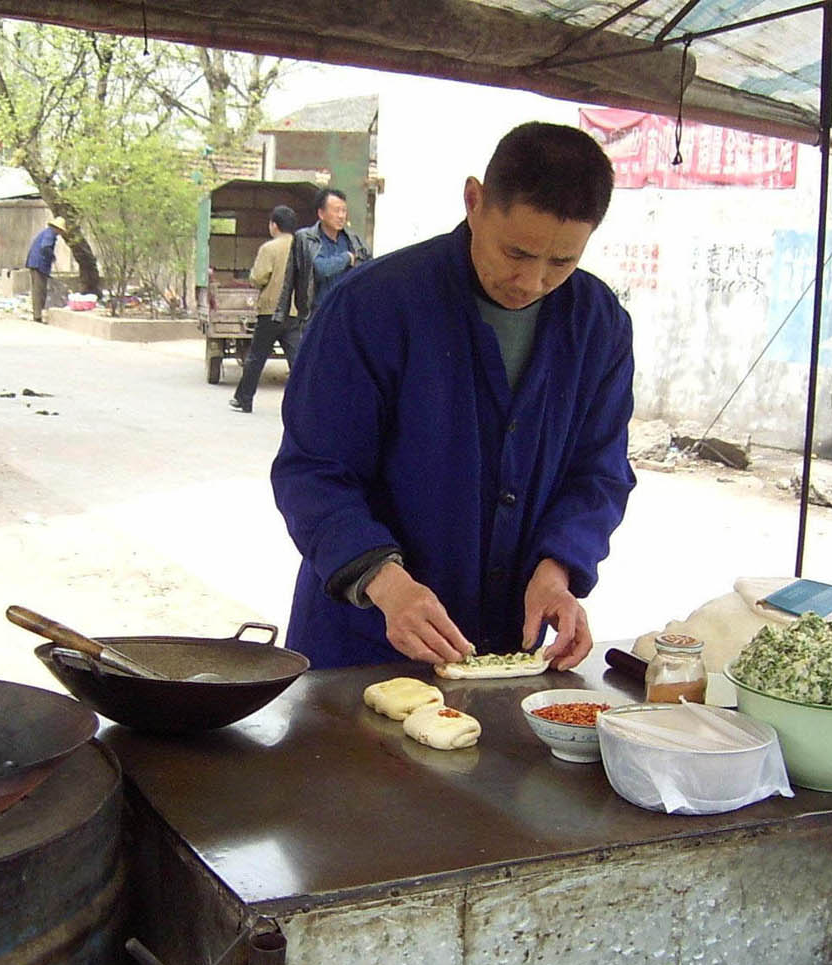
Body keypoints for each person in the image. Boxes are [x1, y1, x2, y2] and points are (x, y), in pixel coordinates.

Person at [270, 122, 635, 671]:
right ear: (474, 201)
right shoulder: (372, 306)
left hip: (502, 649)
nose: (532, 281)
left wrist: (558, 568)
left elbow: (599, 472)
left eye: (562, 261)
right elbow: (314, 472)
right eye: (517, 252)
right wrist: (387, 585)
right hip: (361, 645)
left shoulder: (599, 325)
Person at [229, 205, 303, 414]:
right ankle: (305, 404)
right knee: (297, 360)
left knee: (257, 357)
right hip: (294, 311)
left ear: (274, 225)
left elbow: (259, 277)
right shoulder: (302, 247)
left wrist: (253, 278)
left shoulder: (269, 248)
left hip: (270, 311)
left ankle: (244, 400)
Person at [273, 187, 370, 328]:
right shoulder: (305, 239)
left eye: (344, 211)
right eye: (336, 211)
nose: (341, 216)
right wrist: (347, 258)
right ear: (321, 213)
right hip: (316, 314)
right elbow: (314, 270)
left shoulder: (354, 242)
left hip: (346, 313)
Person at [26, 216, 68, 323]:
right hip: (38, 264)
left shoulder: (47, 233)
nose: (60, 233)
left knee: (38, 290)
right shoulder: (50, 234)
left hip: (35, 263)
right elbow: (45, 247)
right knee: (39, 291)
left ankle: (38, 314)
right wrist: (52, 256)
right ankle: (38, 316)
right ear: (57, 228)